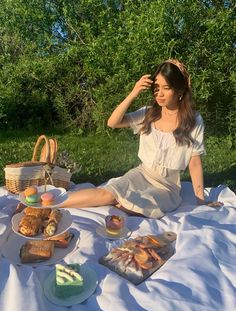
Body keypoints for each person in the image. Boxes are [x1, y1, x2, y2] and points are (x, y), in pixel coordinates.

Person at [60, 59, 222, 218]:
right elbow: (112, 122)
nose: (159, 93)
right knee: (107, 194)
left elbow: (194, 162)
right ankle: (48, 204)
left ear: (179, 91)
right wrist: (134, 92)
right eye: (156, 87)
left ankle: (123, 204)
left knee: (136, 203)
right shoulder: (148, 113)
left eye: (166, 87)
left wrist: (201, 200)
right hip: (141, 173)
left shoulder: (193, 120)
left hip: (167, 187)